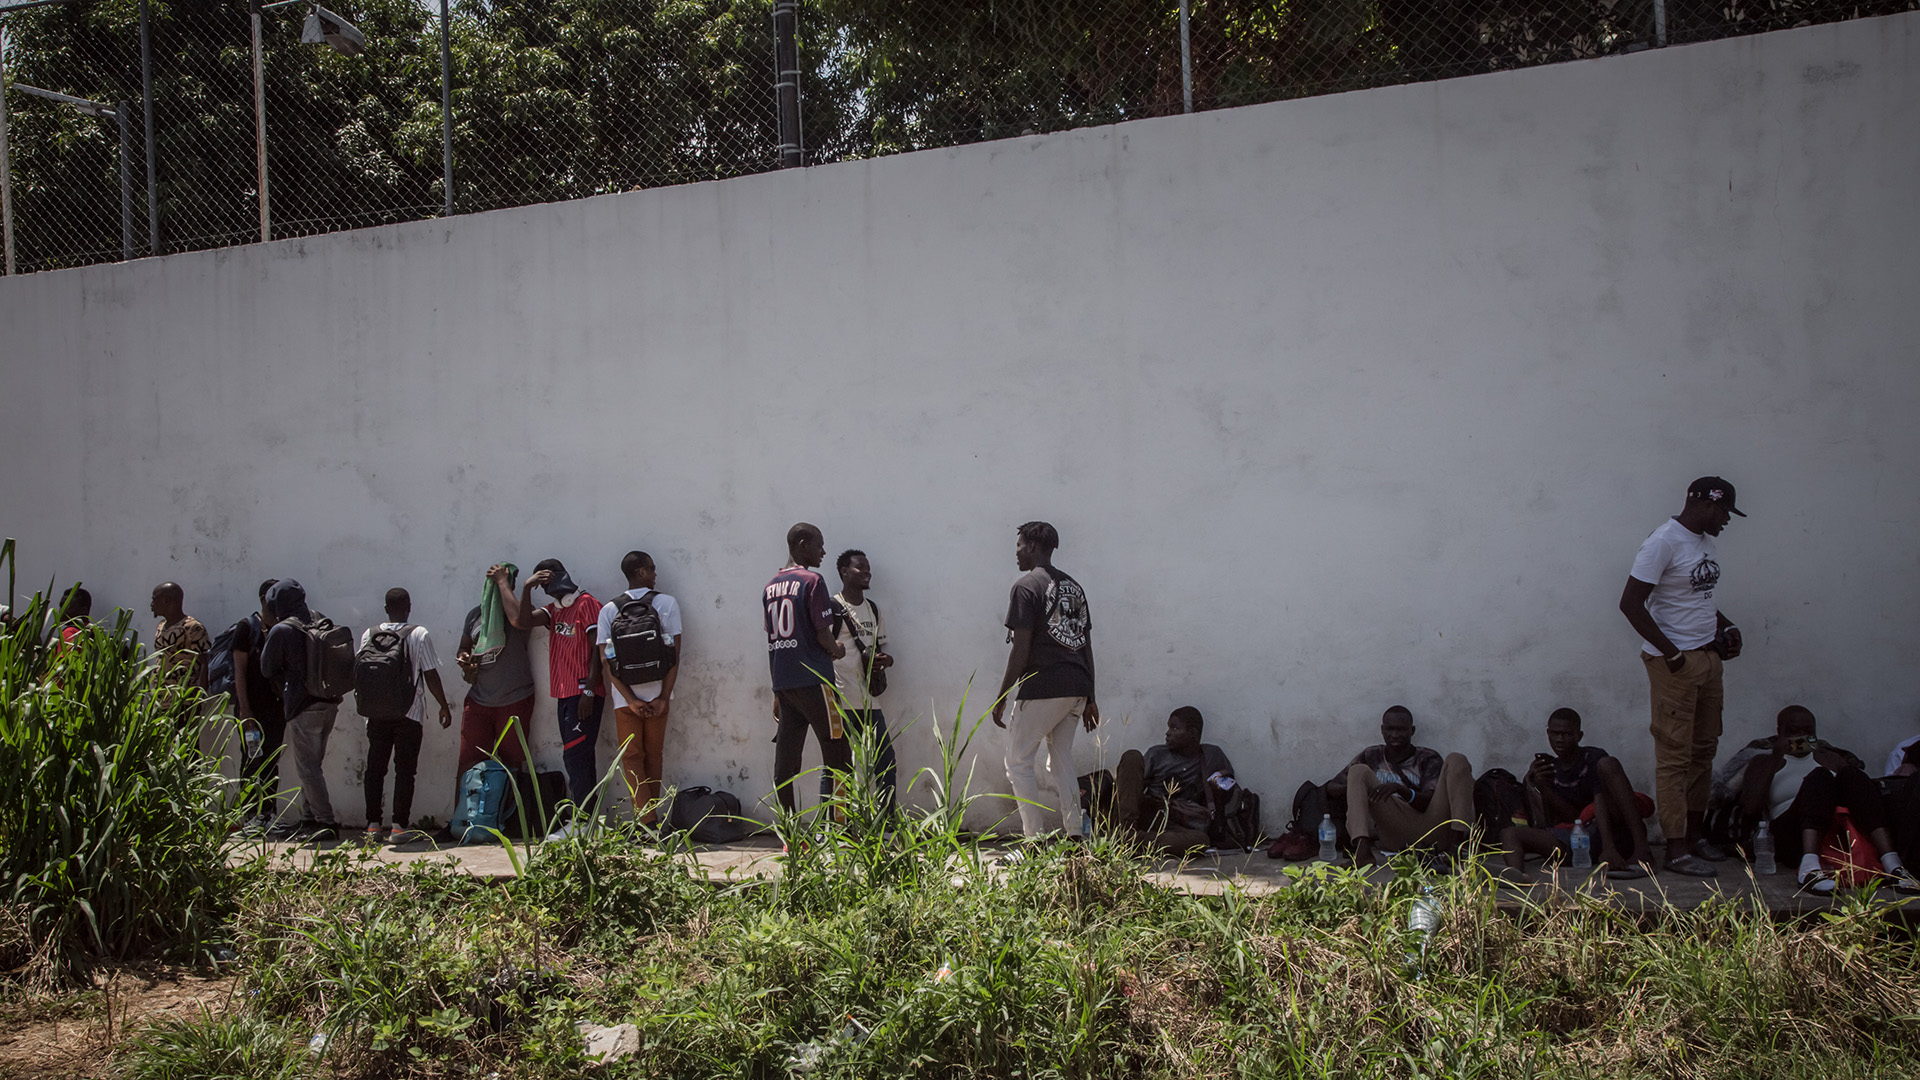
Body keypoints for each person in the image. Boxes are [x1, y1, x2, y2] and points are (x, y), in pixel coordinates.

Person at [1619, 476, 1746, 878]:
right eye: (1724, 511)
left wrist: (1724, 626)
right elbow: (1631, 604)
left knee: (1703, 750)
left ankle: (1694, 837)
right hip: (1675, 665)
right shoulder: (1662, 542)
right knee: (1674, 756)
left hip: (1708, 659)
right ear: (1705, 504)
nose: (1726, 519)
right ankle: (1675, 849)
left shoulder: (1704, 541)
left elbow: (1698, 598)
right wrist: (1672, 654)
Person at [1729, 706, 1918, 894]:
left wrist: (1823, 760)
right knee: (1818, 777)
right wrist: (1775, 759)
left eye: (1808, 732)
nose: (1801, 737)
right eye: (1794, 732)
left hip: (1833, 830)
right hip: (1790, 834)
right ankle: (1809, 868)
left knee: (1852, 774)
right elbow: (1750, 807)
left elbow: (1859, 794)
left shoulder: (1830, 758)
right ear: (1780, 732)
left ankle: (1893, 865)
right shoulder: (1762, 762)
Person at [992, 521, 1099, 837]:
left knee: (1018, 762)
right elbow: (1085, 645)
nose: (1017, 553)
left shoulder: (1026, 587)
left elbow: (1021, 649)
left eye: (1019, 546)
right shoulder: (1074, 587)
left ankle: (1034, 840)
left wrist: (1002, 695)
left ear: (1033, 547)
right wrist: (1090, 696)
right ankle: (1076, 834)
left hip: (1043, 687)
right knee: (1060, 759)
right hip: (1076, 687)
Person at [501, 558, 604, 835]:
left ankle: (583, 822)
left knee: (577, 757)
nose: (546, 588)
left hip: (582, 693)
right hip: (564, 694)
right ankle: (587, 821)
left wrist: (589, 690)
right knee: (575, 757)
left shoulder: (586, 603)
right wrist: (525, 588)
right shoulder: (554, 611)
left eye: (547, 580)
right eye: (541, 584)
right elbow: (521, 621)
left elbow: (597, 648)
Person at [1496, 708, 1655, 878]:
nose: (1560, 739)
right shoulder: (1551, 769)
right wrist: (1542, 786)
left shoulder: (1593, 758)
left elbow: (1600, 801)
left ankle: (1642, 851)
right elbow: (1573, 817)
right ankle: (1515, 876)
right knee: (1509, 833)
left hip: (1614, 831)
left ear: (1579, 736)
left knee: (1608, 764)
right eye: (1555, 734)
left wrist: (1609, 848)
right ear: (1548, 733)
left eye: (1567, 734)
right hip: (1579, 838)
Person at [765, 524, 849, 816]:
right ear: (803, 544)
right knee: (839, 753)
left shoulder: (771, 587)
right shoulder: (812, 581)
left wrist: (776, 688)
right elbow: (822, 635)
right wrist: (838, 649)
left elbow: (772, 641)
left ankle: (790, 831)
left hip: (786, 684)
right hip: (816, 681)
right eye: (819, 545)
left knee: (786, 761)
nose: (823, 552)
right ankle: (842, 829)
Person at [358, 588, 452, 844]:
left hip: (375, 714)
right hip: (409, 713)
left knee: (375, 769)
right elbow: (430, 674)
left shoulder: (369, 633)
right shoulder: (418, 634)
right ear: (409, 607)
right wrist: (444, 705)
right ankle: (399, 827)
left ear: (386, 608)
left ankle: (372, 826)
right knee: (405, 770)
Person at [597, 551, 683, 828]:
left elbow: (605, 660)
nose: (655, 574)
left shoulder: (609, 610)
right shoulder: (666, 603)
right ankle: (652, 820)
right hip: (658, 692)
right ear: (642, 572)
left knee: (632, 758)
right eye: (652, 569)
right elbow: (673, 654)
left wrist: (630, 699)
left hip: (625, 699)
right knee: (653, 755)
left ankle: (646, 821)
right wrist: (663, 697)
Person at [1329, 706, 1475, 867]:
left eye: (1401, 730)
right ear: (1382, 730)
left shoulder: (1427, 758)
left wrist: (1400, 789)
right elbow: (1333, 788)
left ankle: (1456, 848)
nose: (1395, 735)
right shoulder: (1372, 755)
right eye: (1390, 729)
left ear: (1412, 731)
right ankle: (1362, 852)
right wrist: (1364, 789)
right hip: (1395, 833)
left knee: (1457, 759)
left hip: (1433, 828)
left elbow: (1427, 802)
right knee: (1358, 771)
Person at [259, 580, 344, 841]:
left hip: (302, 706)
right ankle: (309, 818)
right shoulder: (319, 619)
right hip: (328, 703)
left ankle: (325, 822)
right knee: (313, 766)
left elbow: (266, 668)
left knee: (307, 768)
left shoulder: (282, 629)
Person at [1112, 707, 1236, 854]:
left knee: (1201, 841)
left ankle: (1132, 841)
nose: (1168, 733)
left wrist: (1219, 785)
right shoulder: (1156, 754)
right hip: (1146, 814)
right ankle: (1126, 832)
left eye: (1175, 728)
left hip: (1175, 824)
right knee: (1132, 756)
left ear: (1193, 734)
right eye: (1169, 727)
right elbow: (1132, 790)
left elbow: (1229, 787)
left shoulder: (1211, 755)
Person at [826, 549, 896, 807]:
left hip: (869, 700)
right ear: (844, 572)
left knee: (885, 761)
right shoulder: (832, 608)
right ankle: (834, 826)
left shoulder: (873, 609)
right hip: (841, 699)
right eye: (860, 568)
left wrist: (885, 660)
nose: (867, 573)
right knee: (837, 766)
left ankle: (887, 823)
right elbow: (823, 650)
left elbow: (880, 649)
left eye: (868, 568)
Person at [455, 564, 536, 776]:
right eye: (499, 580)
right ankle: (468, 809)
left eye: (509, 580)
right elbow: (464, 646)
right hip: (479, 698)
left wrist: (502, 583)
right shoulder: (475, 615)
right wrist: (464, 657)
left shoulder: (520, 611)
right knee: (469, 763)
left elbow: (520, 621)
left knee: (512, 764)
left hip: (513, 698)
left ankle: (510, 809)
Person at [231, 579, 291, 836]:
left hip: (276, 709)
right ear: (264, 598)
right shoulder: (247, 628)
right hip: (251, 711)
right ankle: (249, 816)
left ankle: (268, 814)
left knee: (271, 761)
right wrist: (245, 711)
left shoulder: (282, 628)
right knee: (251, 761)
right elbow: (239, 671)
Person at [149, 582, 210, 692]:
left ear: (166, 601)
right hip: (161, 697)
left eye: (154, 600)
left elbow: (205, 663)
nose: (151, 604)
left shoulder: (192, 628)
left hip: (183, 697)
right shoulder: (161, 626)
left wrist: (199, 699)